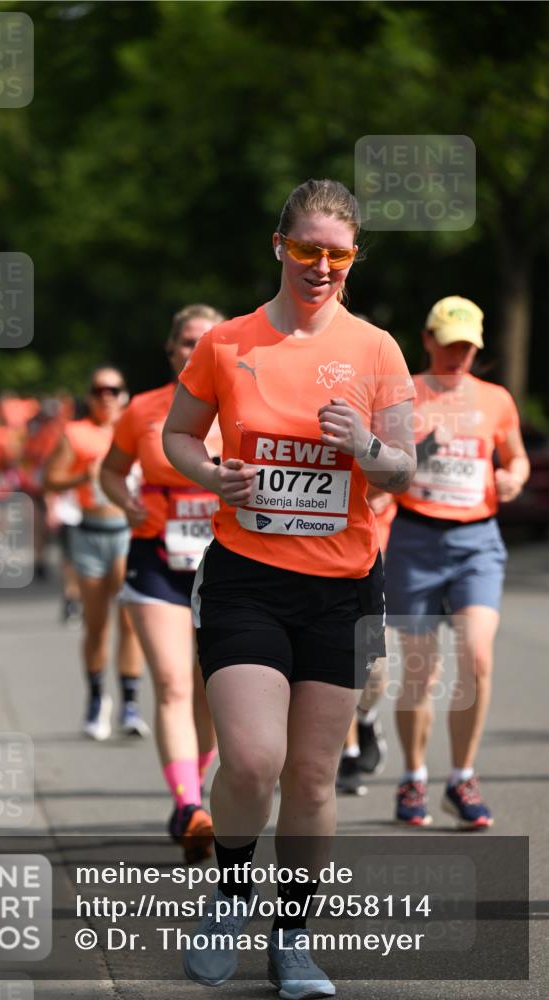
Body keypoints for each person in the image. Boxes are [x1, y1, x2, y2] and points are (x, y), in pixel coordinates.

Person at [162, 178, 416, 996]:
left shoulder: (375, 349)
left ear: (353, 259)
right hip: (246, 580)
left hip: (342, 589)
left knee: (310, 777)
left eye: (338, 254)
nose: (321, 266)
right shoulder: (226, 343)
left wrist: (365, 445)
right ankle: (231, 893)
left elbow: (403, 468)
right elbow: (177, 435)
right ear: (279, 246)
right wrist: (213, 476)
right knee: (251, 760)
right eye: (307, 249)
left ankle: (293, 939)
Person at [382, 296, 529, 829]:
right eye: (449, 344)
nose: (458, 355)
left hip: (477, 542)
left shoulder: (495, 399)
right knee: (421, 671)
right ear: (428, 340)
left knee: (477, 658)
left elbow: (515, 456)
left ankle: (462, 776)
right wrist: (420, 450)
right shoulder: (403, 394)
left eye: (467, 347)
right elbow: (382, 471)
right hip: (415, 538)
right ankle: (414, 776)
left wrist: (512, 477)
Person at [100, 304, 223, 865]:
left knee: (211, 690)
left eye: (208, 340)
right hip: (157, 560)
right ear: (172, 350)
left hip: (227, 565)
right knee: (173, 683)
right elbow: (110, 469)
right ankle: (190, 807)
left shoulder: (244, 405)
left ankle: (191, 790)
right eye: (187, 342)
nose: (197, 350)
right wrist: (126, 502)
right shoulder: (144, 409)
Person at [44, 367, 148, 740]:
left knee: (131, 622)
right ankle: (95, 699)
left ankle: (130, 705)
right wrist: (82, 476)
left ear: (124, 394)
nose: (106, 396)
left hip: (126, 533)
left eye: (113, 390)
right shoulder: (76, 433)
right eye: (99, 390)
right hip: (89, 533)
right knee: (96, 624)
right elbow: (49, 479)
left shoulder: (137, 428)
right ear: (89, 396)